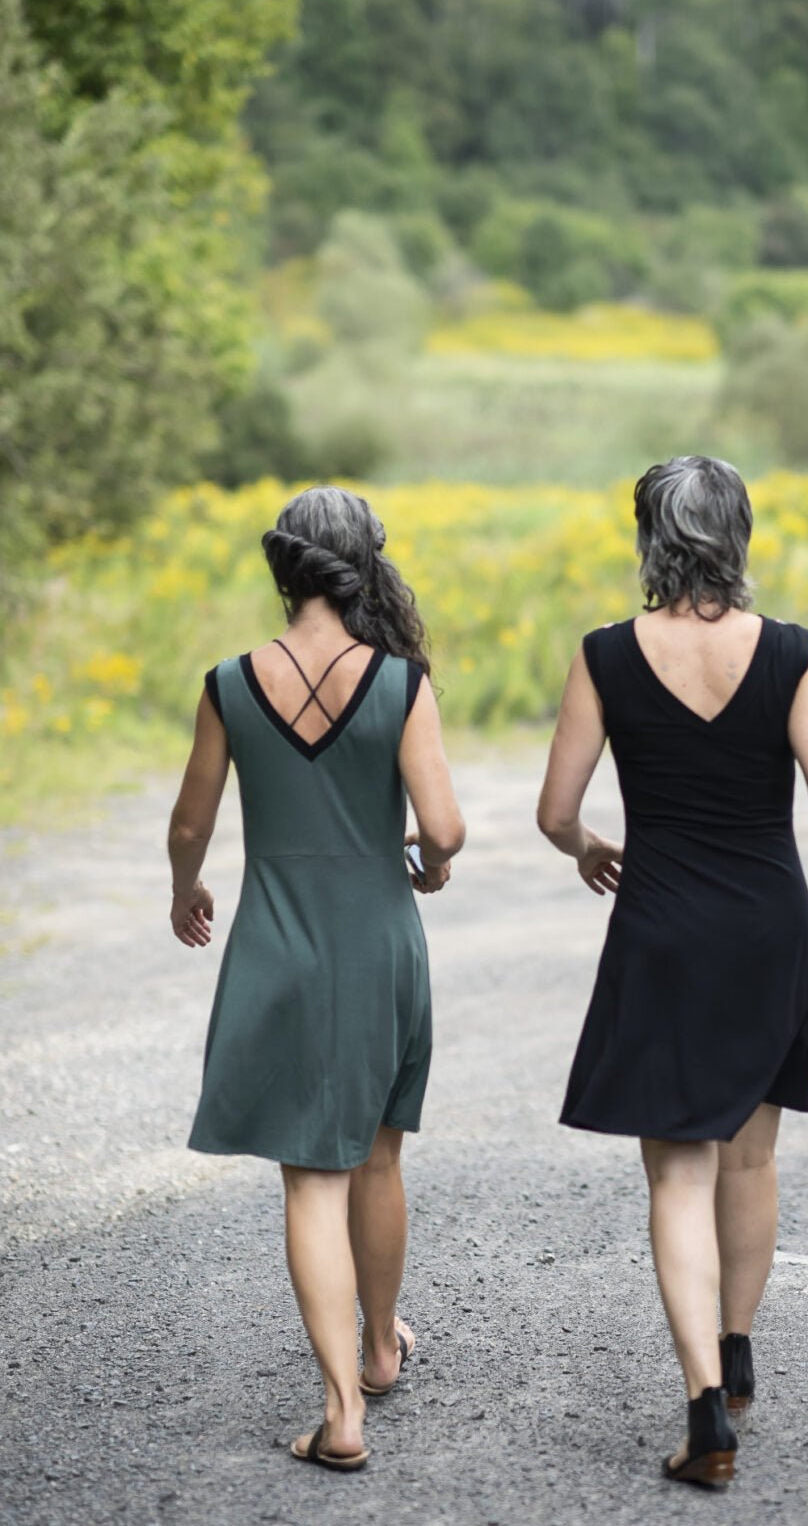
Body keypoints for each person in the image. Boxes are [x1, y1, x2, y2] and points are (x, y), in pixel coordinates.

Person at [537, 455, 808, 1488]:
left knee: (676, 1174)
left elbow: (555, 810)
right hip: (768, 933)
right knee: (748, 1157)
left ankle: (703, 1412)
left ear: (647, 538)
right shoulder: (791, 652)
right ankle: (736, 1345)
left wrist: (588, 846)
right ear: (736, 536)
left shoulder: (605, 654)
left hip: (660, 934)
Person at [168, 484, 465, 1472]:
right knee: (377, 1157)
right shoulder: (398, 681)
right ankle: (380, 1350)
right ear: (360, 564)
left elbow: (189, 821)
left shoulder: (229, 681)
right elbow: (445, 824)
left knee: (311, 1177)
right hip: (379, 940)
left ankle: (344, 1408)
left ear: (281, 568)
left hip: (280, 944)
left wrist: (185, 888)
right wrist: (434, 860)